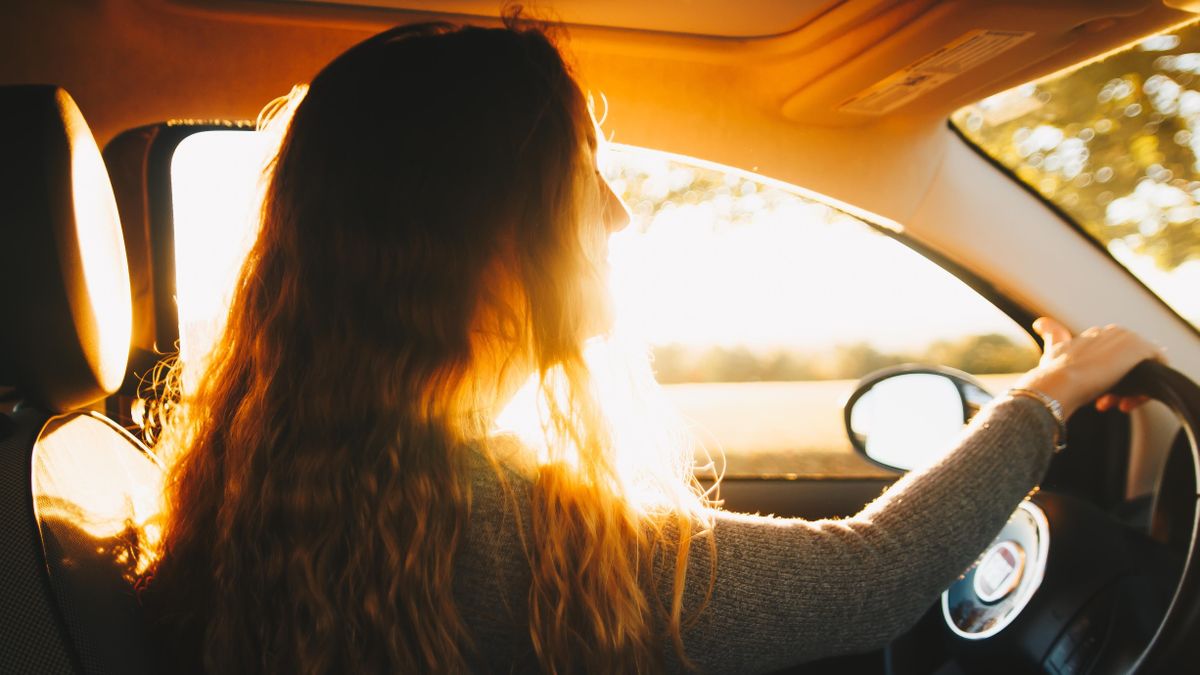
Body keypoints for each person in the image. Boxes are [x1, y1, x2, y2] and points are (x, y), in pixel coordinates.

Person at [139, 15, 1165, 675]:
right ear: (476, 241)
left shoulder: (278, 479)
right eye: (579, 183)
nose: (618, 220)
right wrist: (1053, 390)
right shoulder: (496, 529)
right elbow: (873, 580)